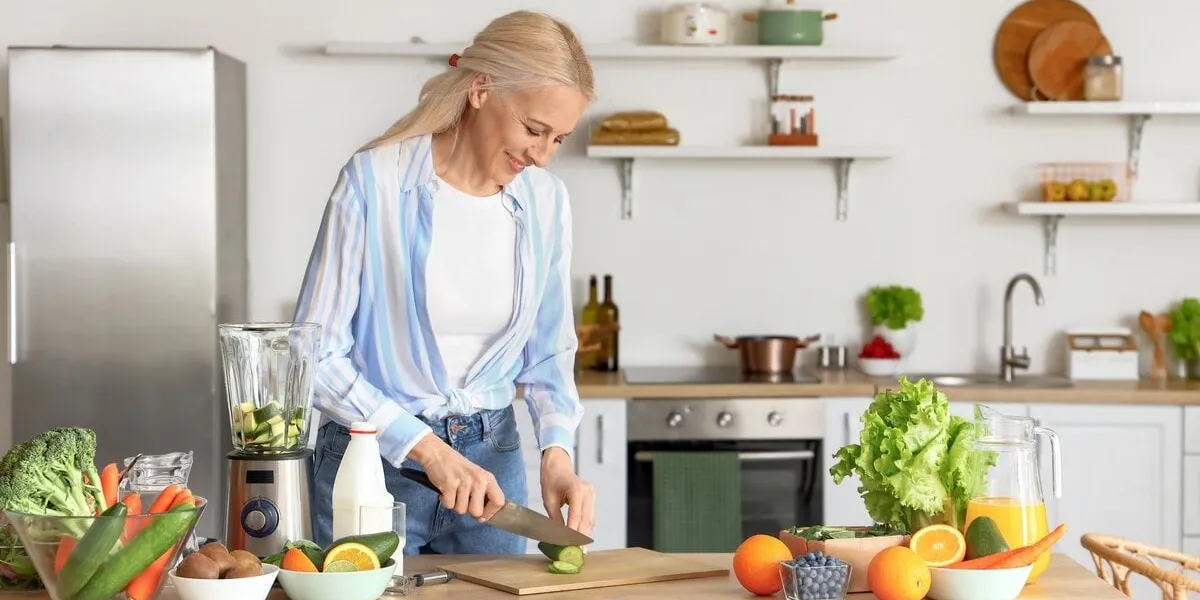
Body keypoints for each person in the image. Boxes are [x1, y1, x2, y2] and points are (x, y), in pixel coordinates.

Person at [292, 10, 596, 555]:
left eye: (559, 139)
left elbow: (550, 351)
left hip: (492, 467)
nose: (542, 155)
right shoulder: (375, 182)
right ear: (481, 89)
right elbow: (313, 355)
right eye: (533, 129)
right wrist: (425, 448)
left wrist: (557, 453)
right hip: (371, 462)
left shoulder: (546, 201)